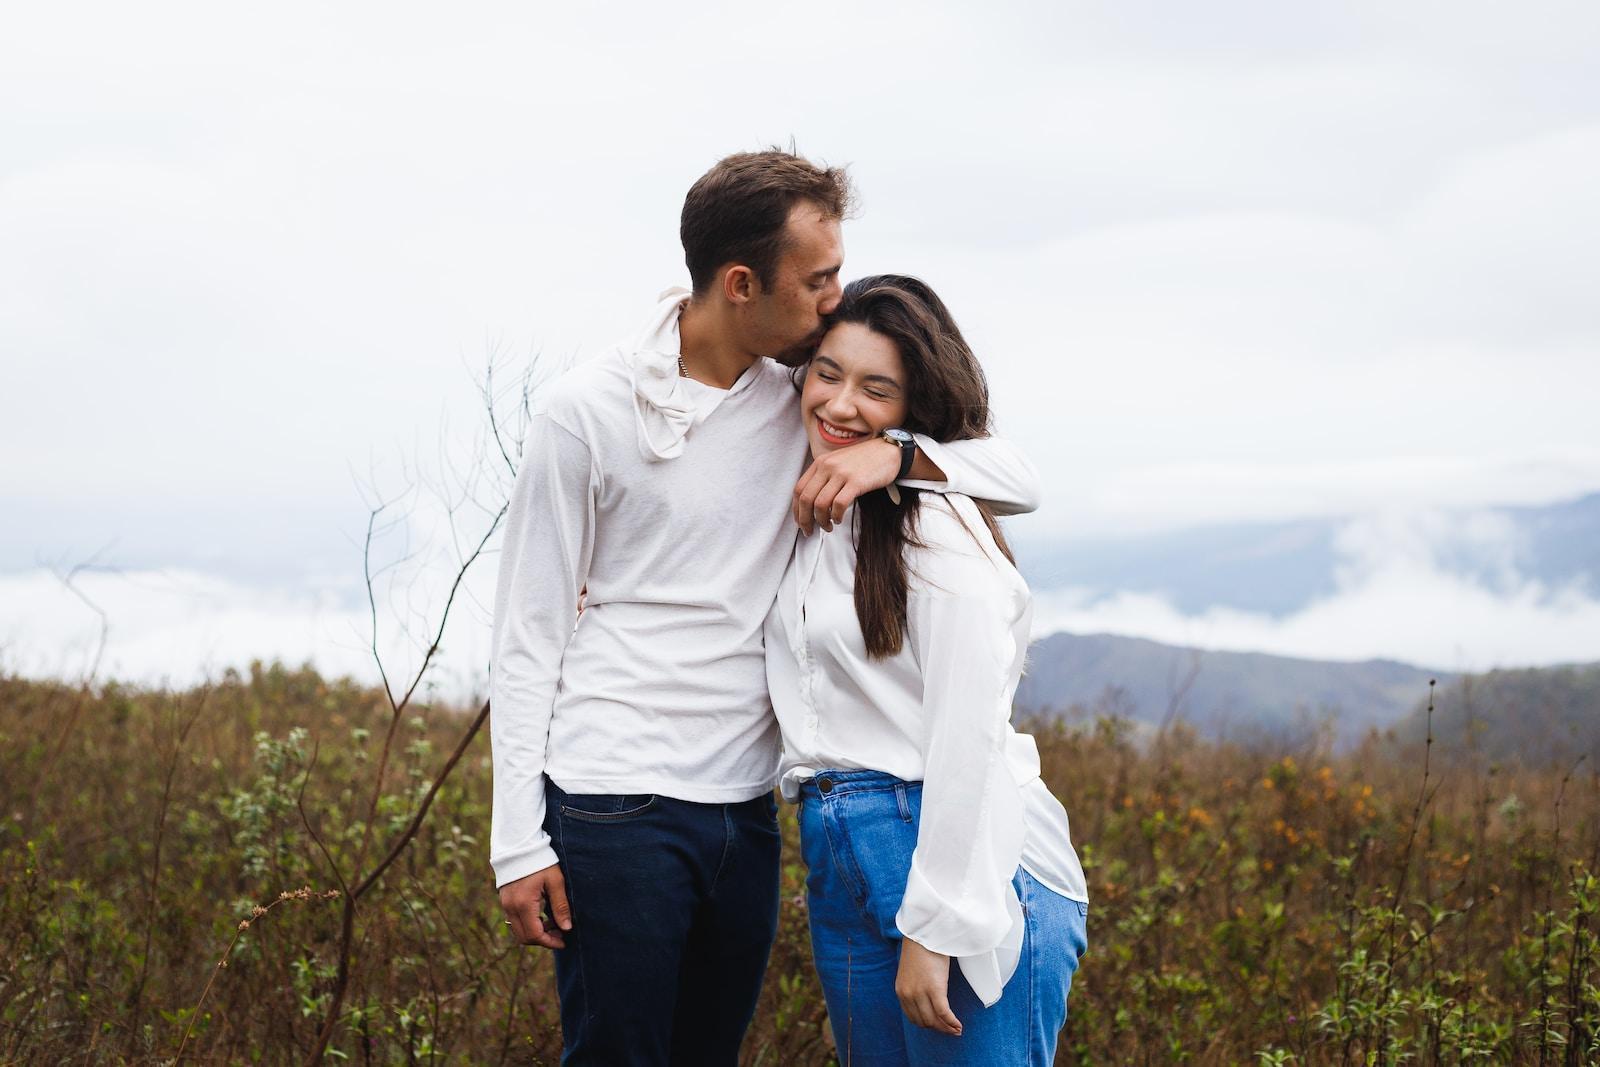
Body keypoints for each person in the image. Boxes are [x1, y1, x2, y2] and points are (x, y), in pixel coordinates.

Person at [489, 151, 1043, 1065]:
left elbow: (1017, 476)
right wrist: (518, 841)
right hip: (613, 796)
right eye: (819, 279)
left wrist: (895, 457)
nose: (836, 298)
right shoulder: (588, 412)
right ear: (742, 283)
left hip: (745, 807)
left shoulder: (802, 396)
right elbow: (528, 631)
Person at [765, 275, 1089, 1065]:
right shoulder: (815, 509)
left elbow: (967, 733)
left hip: (952, 846)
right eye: (828, 373)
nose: (840, 404)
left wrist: (937, 922)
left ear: (914, 408)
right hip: (838, 840)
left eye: (878, 389)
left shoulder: (934, 526)